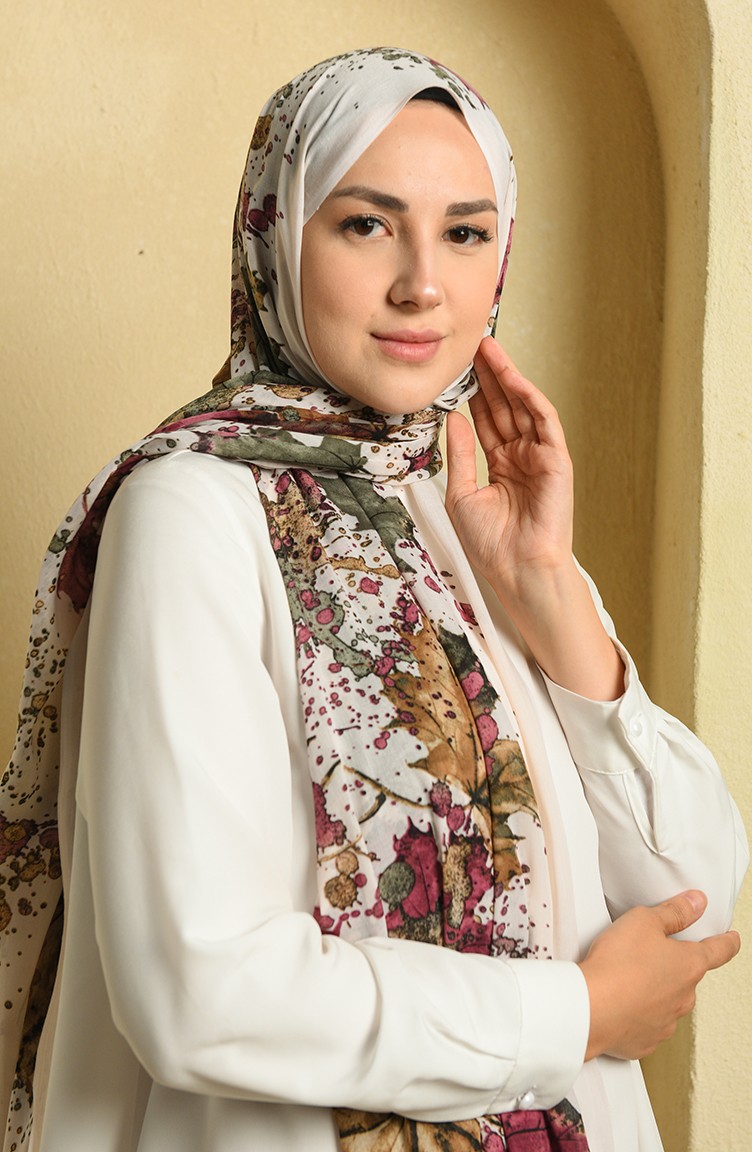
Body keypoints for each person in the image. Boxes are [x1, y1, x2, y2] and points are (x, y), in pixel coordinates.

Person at [0, 46, 746, 1152]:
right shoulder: (193, 511)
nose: (422, 285)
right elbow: (200, 993)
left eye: (465, 233)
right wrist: (574, 1016)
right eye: (365, 224)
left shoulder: (464, 511)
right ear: (273, 237)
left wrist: (550, 594)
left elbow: (692, 904)